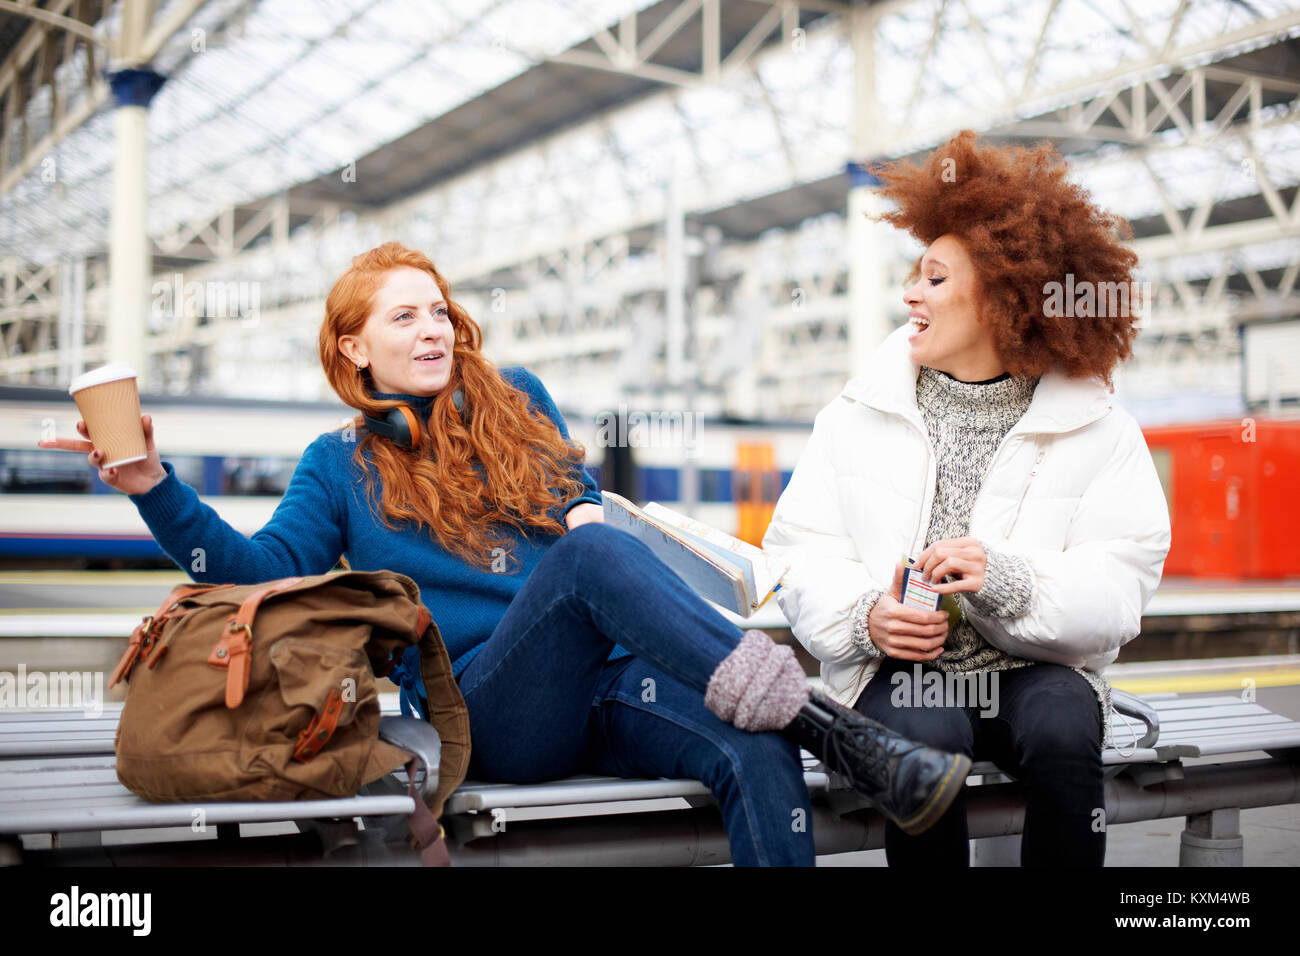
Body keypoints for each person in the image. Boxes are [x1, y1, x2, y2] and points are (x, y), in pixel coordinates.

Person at [42, 241, 970, 866]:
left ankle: (805, 728)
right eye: (402, 319)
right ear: (354, 349)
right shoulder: (337, 465)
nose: (433, 328)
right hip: (491, 709)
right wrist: (152, 486)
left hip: (609, 683)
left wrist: (585, 522)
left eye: (437, 310)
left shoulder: (517, 395)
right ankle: (843, 735)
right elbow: (256, 574)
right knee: (586, 559)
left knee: (753, 743)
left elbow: (571, 498)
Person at [763, 131, 1173, 867]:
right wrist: (865, 617)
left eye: (935, 279)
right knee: (929, 741)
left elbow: (1121, 585)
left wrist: (1009, 579)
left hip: (1036, 670)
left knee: (1061, 733)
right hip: (901, 673)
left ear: (1004, 303)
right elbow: (798, 553)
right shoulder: (853, 415)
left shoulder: (1099, 427)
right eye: (915, 277)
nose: (909, 294)